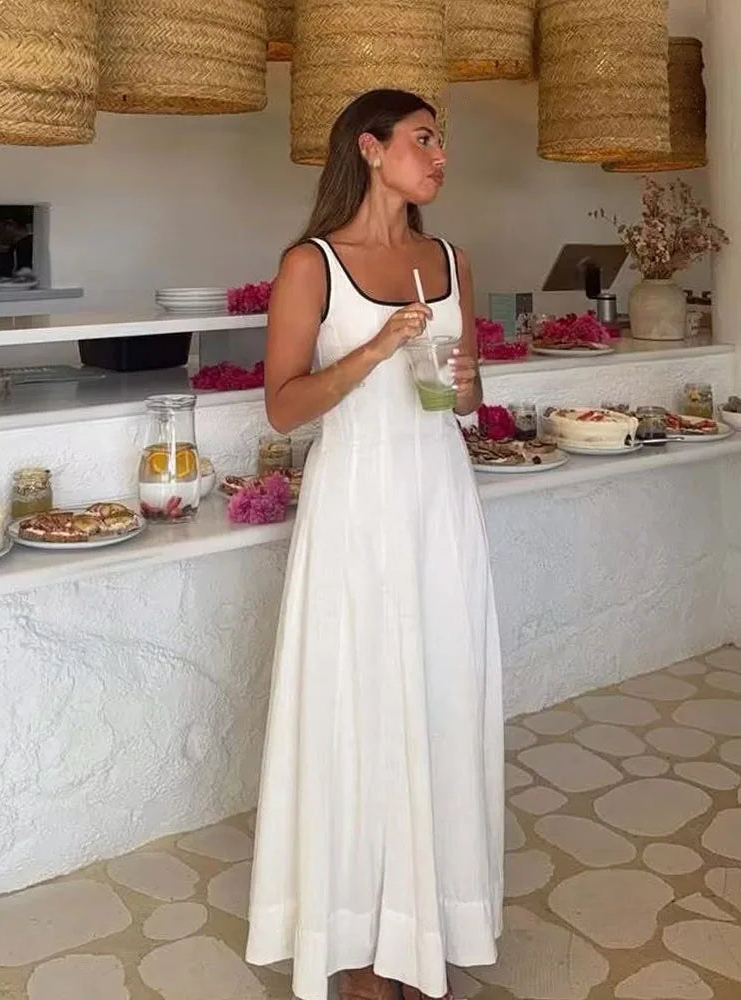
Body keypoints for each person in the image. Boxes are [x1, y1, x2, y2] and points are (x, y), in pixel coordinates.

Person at [246, 89, 504, 1000]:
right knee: (356, 709)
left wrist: (468, 382)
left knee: (438, 695)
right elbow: (283, 405)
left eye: (442, 141)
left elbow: (460, 404)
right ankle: (359, 950)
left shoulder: (452, 260)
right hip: (356, 508)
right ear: (370, 146)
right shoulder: (311, 264)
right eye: (424, 139)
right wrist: (370, 351)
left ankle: (425, 921)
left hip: (439, 502)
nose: (439, 157)